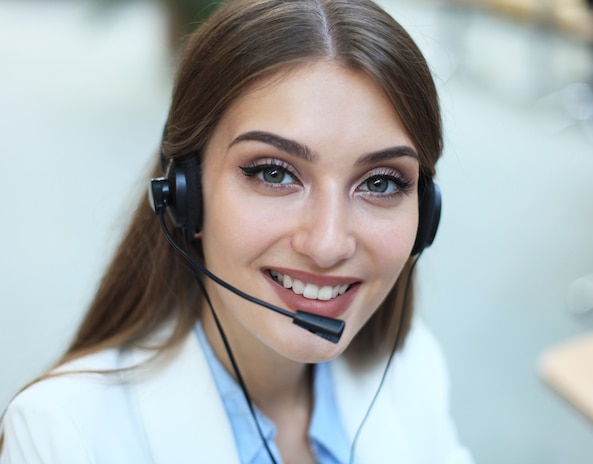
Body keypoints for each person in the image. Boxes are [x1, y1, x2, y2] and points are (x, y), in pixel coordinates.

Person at [0, 0, 474, 462]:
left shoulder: (413, 368)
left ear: (425, 213)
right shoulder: (61, 437)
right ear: (186, 196)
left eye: (381, 182)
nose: (328, 244)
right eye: (273, 173)